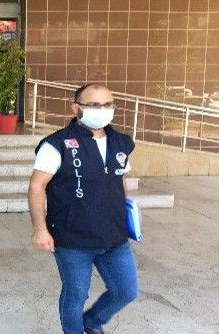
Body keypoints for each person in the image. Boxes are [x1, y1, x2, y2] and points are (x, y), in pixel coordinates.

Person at [28, 83, 138, 334]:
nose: (102, 110)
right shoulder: (56, 144)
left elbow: (120, 179)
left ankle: (92, 321)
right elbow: (37, 186)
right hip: (72, 238)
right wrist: (40, 229)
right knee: (75, 294)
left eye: (108, 105)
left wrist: (125, 212)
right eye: (94, 105)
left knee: (126, 291)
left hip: (114, 237)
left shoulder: (121, 143)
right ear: (75, 108)